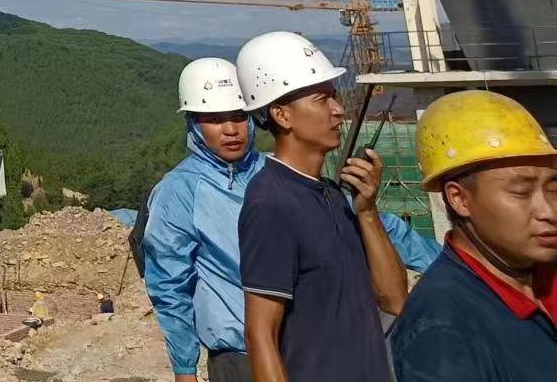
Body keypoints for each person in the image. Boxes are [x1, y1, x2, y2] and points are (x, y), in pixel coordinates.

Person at [143, 57, 437, 382]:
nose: (230, 130)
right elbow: (169, 284)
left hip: (308, 347)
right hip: (240, 357)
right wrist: (185, 369)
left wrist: (446, 264)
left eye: (238, 116)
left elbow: (369, 226)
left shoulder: (283, 173)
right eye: (214, 120)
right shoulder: (180, 192)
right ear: (194, 125)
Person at [237, 31, 408, 382]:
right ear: (282, 115)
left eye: (334, 96)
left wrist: (367, 212)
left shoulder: (333, 194)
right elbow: (260, 334)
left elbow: (394, 300)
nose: (338, 109)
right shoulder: (271, 203)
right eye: (321, 99)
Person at [388, 90, 557, 380]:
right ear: (459, 199)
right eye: (521, 191)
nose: (549, 211)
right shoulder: (443, 331)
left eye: (553, 189)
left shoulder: (540, 272)